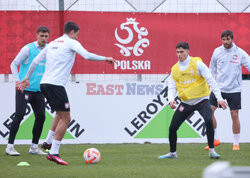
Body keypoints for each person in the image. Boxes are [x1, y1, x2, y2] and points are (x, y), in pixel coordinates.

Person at [18, 21, 115, 165]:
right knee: (66, 118)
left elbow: (34, 62)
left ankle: (48, 142)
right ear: (73, 32)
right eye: (77, 34)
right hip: (56, 85)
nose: (77, 37)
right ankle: (53, 152)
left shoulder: (52, 44)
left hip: (44, 84)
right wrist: (105, 58)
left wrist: (27, 78)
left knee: (59, 113)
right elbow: (87, 55)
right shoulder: (71, 42)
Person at [158, 42, 227, 159]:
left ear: (188, 51)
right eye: (177, 52)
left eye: (182, 52)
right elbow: (171, 87)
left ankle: (211, 150)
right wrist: (171, 100)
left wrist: (219, 99)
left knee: (209, 120)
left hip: (202, 101)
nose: (179, 54)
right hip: (186, 103)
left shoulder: (197, 64)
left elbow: (211, 80)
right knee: (172, 127)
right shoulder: (174, 69)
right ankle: (172, 153)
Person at [5, 26, 50, 156]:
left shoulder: (49, 50)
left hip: (38, 91)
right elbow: (14, 64)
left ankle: (34, 147)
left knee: (41, 117)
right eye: (42, 36)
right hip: (24, 89)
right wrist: (17, 81)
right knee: (19, 115)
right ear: (37, 35)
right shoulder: (28, 49)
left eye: (46, 36)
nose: (44, 38)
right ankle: (9, 146)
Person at [207, 30, 250, 151]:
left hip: (234, 89)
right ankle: (216, 139)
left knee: (234, 115)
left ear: (232, 39)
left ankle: (236, 143)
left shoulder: (240, 53)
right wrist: (210, 84)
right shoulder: (217, 51)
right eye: (223, 40)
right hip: (218, 88)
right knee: (209, 113)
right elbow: (211, 69)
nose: (226, 42)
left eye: (228, 39)